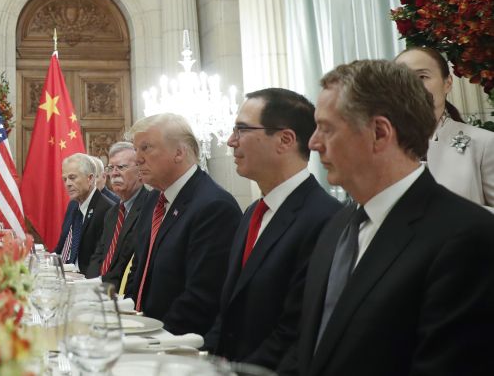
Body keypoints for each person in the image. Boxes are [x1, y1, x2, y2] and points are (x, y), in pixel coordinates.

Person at [285, 60, 494, 376]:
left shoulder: (466, 238)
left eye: (326, 128)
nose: (313, 143)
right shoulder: (336, 228)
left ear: (380, 133)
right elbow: (311, 350)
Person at [204, 88, 341, 368]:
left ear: (285, 139)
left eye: (241, 130)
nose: (231, 141)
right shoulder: (253, 213)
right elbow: (229, 310)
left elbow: (295, 330)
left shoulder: (324, 219)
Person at [124, 113, 240, 335]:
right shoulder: (153, 200)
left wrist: (154, 340)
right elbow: (138, 269)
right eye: (136, 149)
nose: (137, 158)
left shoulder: (213, 206)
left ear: (179, 152)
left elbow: (201, 297)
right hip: (141, 334)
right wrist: (129, 322)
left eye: (146, 148)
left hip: (175, 345)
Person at [394, 46, 494, 209]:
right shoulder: (380, 146)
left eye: (422, 76)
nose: (411, 85)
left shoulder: (483, 143)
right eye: (401, 78)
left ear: (447, 83)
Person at [87, 140, 152, 287]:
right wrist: (88, 285)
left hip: (124, 294)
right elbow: (98, 256)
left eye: (121, 167)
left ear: (140, 171)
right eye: (111, 168)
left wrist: (102, 288)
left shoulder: (150, 209)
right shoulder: (112, 213)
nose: (114, 173)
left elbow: (126, 262)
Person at [53, 152, 113, 273]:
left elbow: (101, 261)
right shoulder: (74, 205)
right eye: (65, 179)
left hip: (86, 280)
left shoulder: (107, 209)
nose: (67, 184)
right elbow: (63, 245)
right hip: (68, 274)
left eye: (72, 177)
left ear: (90, 178)